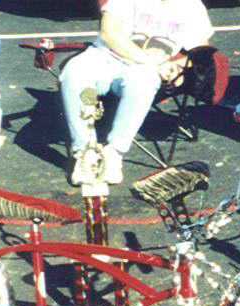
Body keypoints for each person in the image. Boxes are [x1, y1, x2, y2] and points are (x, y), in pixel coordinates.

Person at [59, 0, 213, 185]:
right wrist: (154, 63)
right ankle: (85, 152)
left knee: (144, 80)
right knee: (74, 73)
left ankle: (114, 153)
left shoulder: (193, 7)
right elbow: (109, 33)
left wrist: (178, 67)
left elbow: (199, 52)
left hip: (145, 69)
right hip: (105, 56)